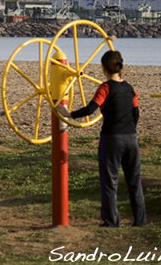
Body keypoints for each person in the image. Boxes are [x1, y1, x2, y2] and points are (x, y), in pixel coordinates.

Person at [56, 50, 147, 227]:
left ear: (104, 68)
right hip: (131, 139)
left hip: (112, 139)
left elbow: (91, 109)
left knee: (110, 181)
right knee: (135, 181)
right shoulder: (130, 88)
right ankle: (140, 221)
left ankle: (111, 222)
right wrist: (130, 130)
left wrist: (68, 114)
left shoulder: (105, 88)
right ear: (121, 67)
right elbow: (136, 113)